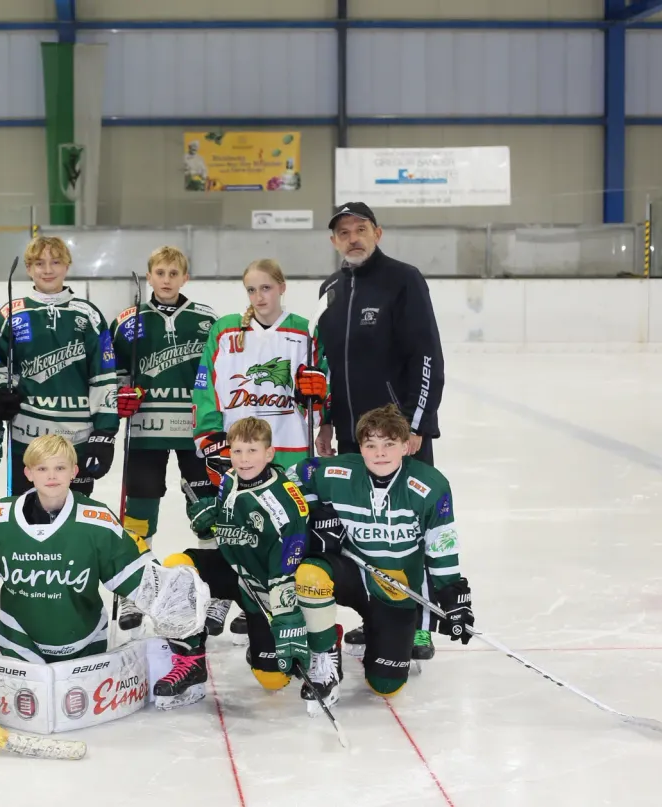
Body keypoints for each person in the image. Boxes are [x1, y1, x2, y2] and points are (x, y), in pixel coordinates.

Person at [0, 434, 209, 732]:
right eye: (43, 469)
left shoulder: (97, 523)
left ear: (75, 472)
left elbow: (140, 576)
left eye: (60, 468)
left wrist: (180, 609)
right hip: (19, 641)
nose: (52, 476)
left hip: (86, 642)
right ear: (28, 473)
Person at [317, 202, 445, 659]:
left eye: (361, 229)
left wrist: (418, 424)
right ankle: (380, 617)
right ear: (333, 241)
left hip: (396, 434)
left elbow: (426, 356)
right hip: (353, 437)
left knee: (409, 528)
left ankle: (421, 623)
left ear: (378, 232)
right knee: (366, 530)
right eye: (344, 232)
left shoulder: (403, 279)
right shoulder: (332, 288)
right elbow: (330, 365)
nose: (353, 237)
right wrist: (328, 420)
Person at [291, 404, 472, 710]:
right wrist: (315, 515)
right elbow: (295, 477)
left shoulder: (430, 486)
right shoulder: (341, 472)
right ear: (360, 448)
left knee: (385, 686)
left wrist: (453, 597)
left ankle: (378, 630)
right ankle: (324, 653)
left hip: (395, 590)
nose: (380, 453)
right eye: (370, 445)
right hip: (352, 571)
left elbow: (441, 543)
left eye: (389, 444)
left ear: (406, 446)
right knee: (311, 573)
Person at [191, 258, 326, 640]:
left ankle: (277, 598)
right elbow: (206, 385)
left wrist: (319, 394)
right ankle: (231, 593)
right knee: (235, 526)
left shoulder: (303, 331)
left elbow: (321, 384)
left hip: (289, 447)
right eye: (251, 289)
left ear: (282, 287)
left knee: (283, 530)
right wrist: (210, 434)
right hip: (240, 453)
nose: (258, 296)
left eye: (266, 287)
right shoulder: (225, 330)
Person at [158, 417, 328, 710]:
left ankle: (318, 641)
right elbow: (228, 519)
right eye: (237, 452)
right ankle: (191, 658)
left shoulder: (284, 502)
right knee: (177, 567)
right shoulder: (229, 479)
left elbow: (287, 566)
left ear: (269, 454)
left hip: (264, 588)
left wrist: (287, 618)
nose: (244, 459)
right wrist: (210, 516)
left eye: (252, 451)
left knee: (273, 680)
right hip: (233, 568)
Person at [112, 246, 224, 632]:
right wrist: (120, 398)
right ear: (149, 276)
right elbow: (116, 373)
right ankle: (135, 589)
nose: (166, 279)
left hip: (195, 432)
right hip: (146, 431)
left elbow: (216, 374)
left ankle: (218, 592)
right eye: (159, 272)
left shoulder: (207, 320)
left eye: (173, 273)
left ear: (185, 278)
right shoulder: (128, 321)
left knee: (209, 511)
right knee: (139, 515)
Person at [0, 236, 119, 498]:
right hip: (27, 437)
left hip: (78, 439)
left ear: (67, 266)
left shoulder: (88, 315)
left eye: (55, 262)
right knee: (26, 515)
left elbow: (103, 377)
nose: (47, 270)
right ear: (28, 268)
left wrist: (105, 431)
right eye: (39, 263)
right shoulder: (9, 315)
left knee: (75, 517)